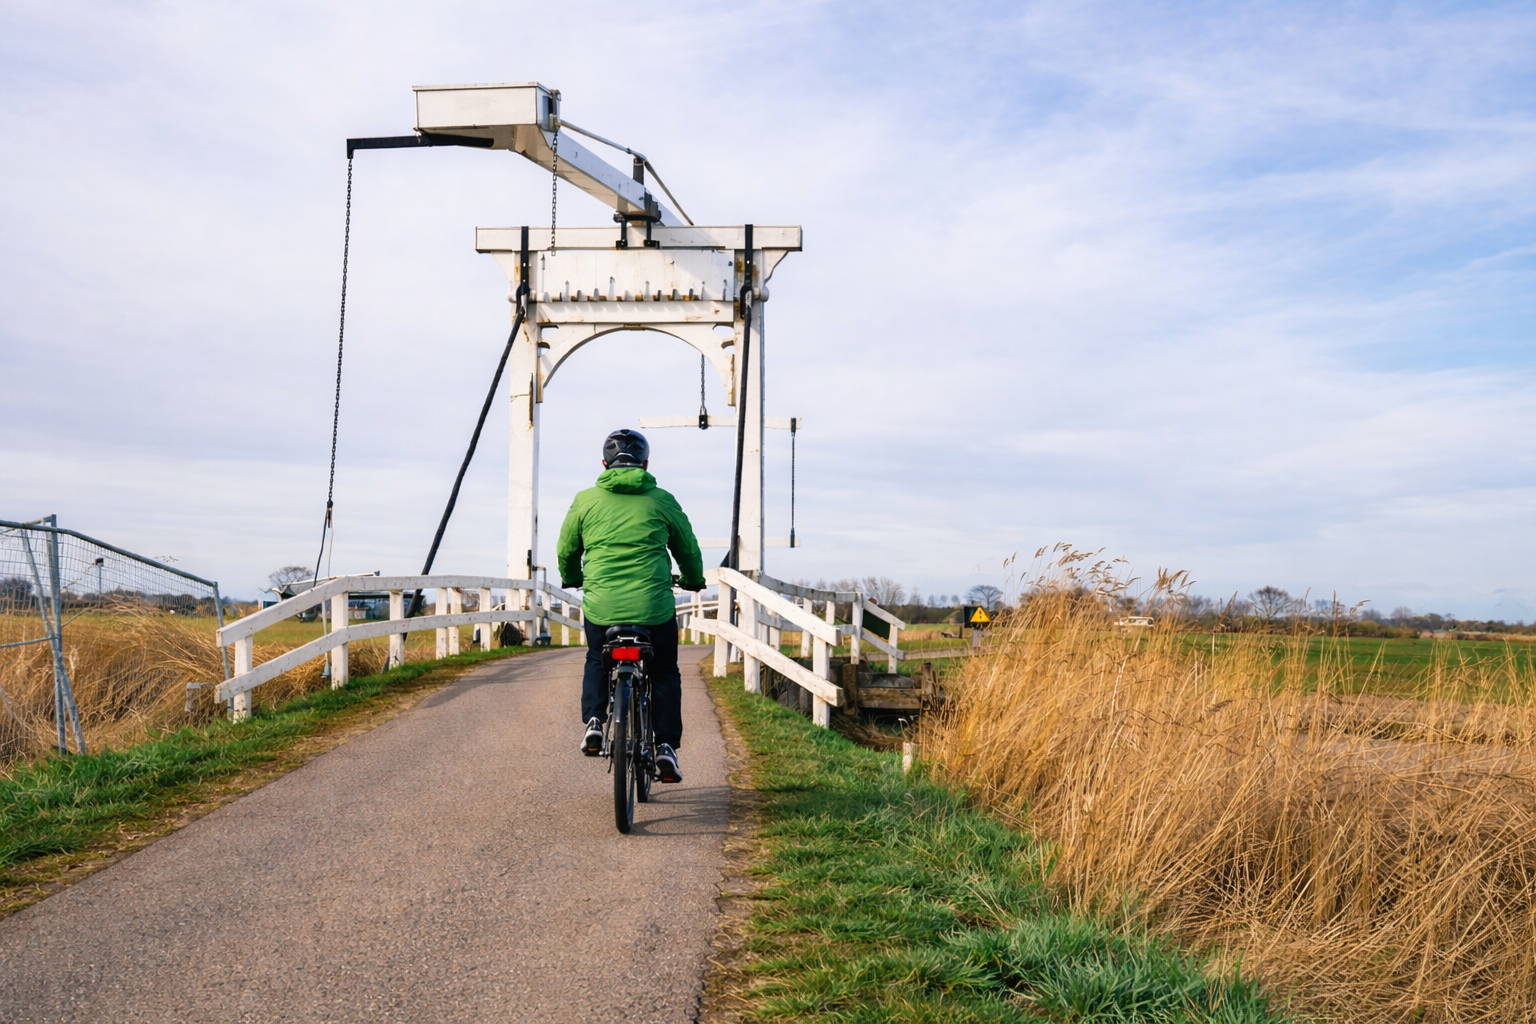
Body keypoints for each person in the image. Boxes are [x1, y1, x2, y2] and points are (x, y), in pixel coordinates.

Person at [556, 428, 705, 783]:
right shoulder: (661, 500)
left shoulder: (585, 500)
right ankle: (666, 746)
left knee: (596, 658)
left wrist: (572, 576)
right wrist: (693, 580)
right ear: (646, 463)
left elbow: (566, 550)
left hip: (602, 606)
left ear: (604, 463)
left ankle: (595, 721)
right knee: (665, 671)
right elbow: (687, 549)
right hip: (653, 607)